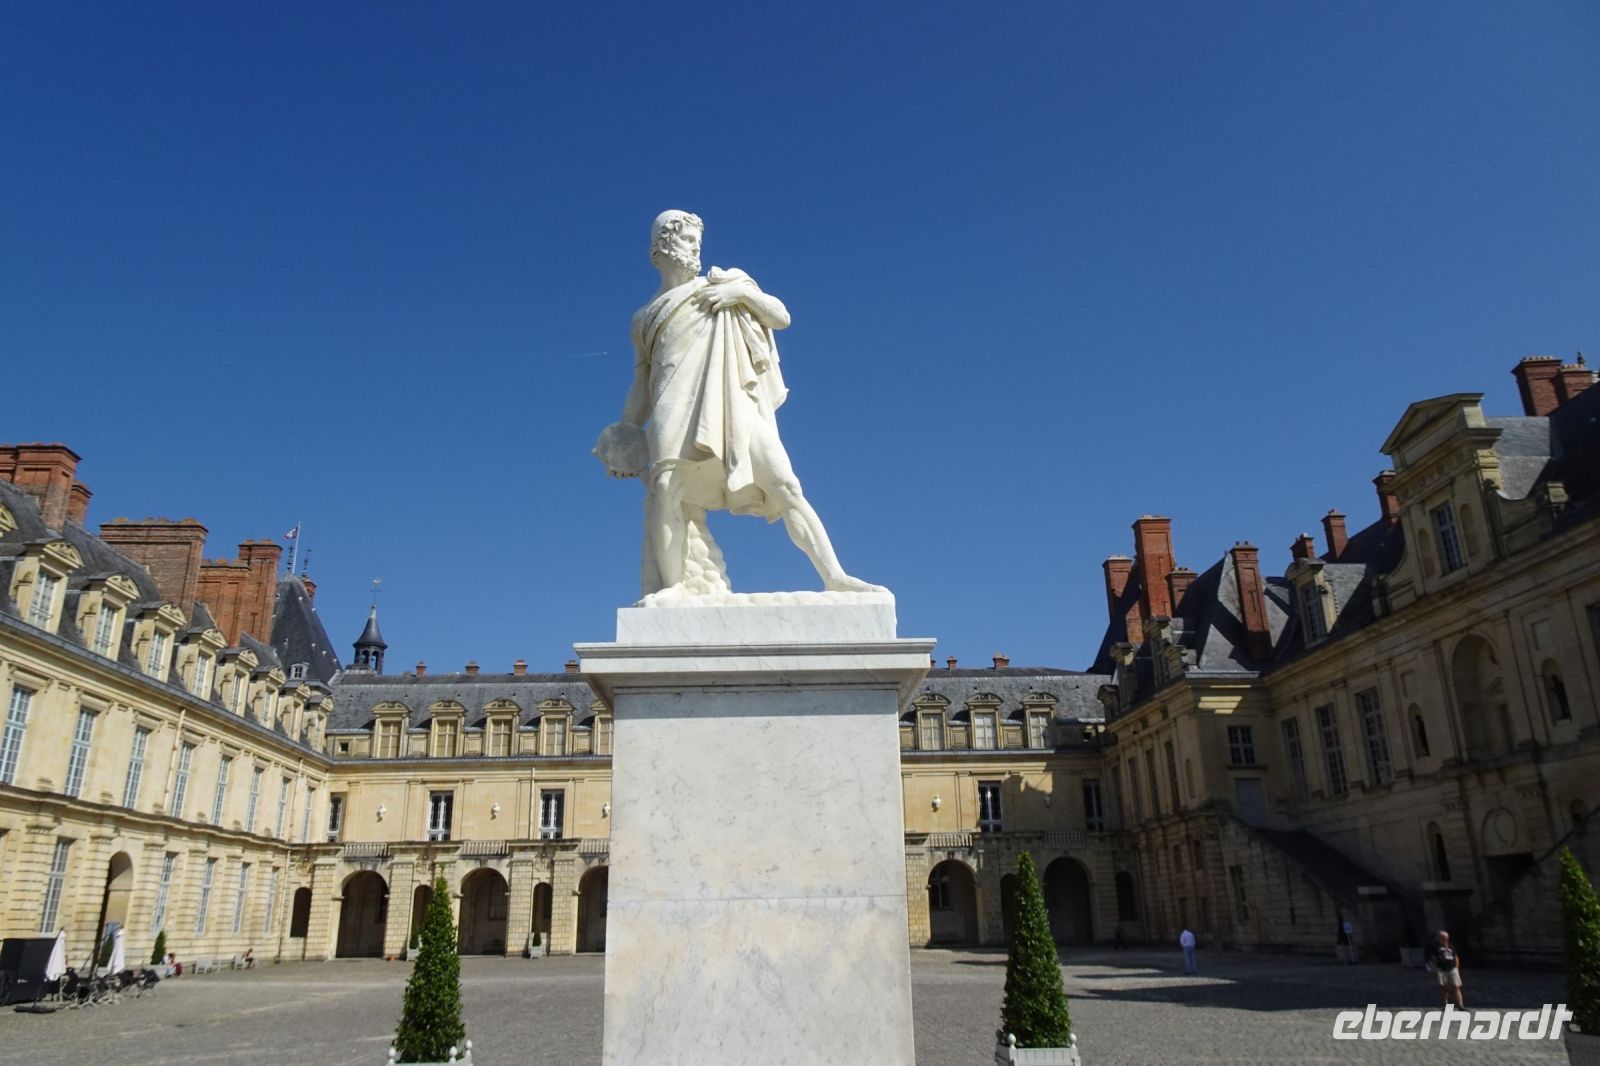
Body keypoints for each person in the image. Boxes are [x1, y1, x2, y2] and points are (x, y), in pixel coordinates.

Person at [604, 210, 885, 601]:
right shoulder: (644, 318)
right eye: (686, 240)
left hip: (734, 403)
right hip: (673, 403)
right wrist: (626, 430)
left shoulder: (724, 282)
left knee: (785, 483)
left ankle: (835, 576)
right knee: (667, 489)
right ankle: (673, 589)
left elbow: (781, 316)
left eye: (697, 240)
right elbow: (642, 381)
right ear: (661, 249)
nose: (696, 248)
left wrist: (743, 295)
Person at [1428, 930, 1464, 1008]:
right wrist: (1435, 968)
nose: (1445, 939)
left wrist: (1457, 967)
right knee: (1444, 988)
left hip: (1452, 969)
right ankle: (1446, 1004)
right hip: (1441, 969)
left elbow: (1456, 957)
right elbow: (1433, 958)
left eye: (1446, 937)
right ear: (1439, 938)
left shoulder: (1451, 946)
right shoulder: (1435, 947)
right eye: (1443, 938)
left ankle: (1460, 1005)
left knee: (1456, 987)